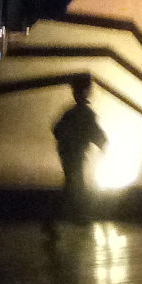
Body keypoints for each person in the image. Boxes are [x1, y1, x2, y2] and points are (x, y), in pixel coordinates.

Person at [45, 74, 107, 240]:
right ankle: (58, 219)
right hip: (74, 154)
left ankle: (69, 217)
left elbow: (57, 130)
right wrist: (101, 143)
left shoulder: (72, 113)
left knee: (73, 185)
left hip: (69, 154)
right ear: (86, 91)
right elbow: (95, 132)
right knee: (73, 185)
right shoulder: (84, 113)